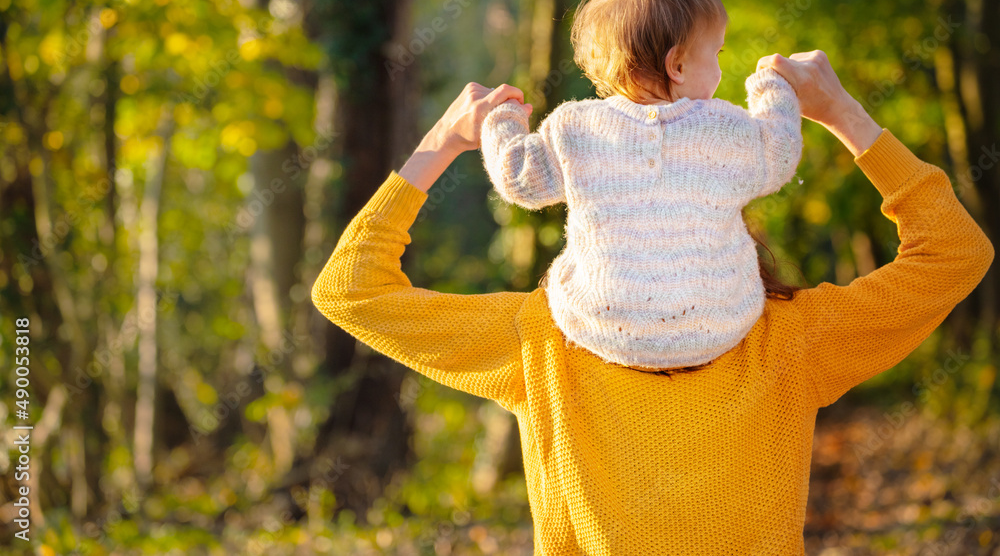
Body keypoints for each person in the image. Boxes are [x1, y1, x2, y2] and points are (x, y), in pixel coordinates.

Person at [310, 50, 994, 554]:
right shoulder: (791, 337)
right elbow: (955, 252)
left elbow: (350, 288)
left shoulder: (542, 341)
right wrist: (840, 112)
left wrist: (444, 142)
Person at [479, 0, 803, 371]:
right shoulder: (724, 128)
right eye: (716, 54)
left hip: (601, 324)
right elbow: (780, 152)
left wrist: (502, 117)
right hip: (718, 324)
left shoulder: (574, 127)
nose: (720, 69)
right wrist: (772, 86)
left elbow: (517, 178)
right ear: (678, 66)